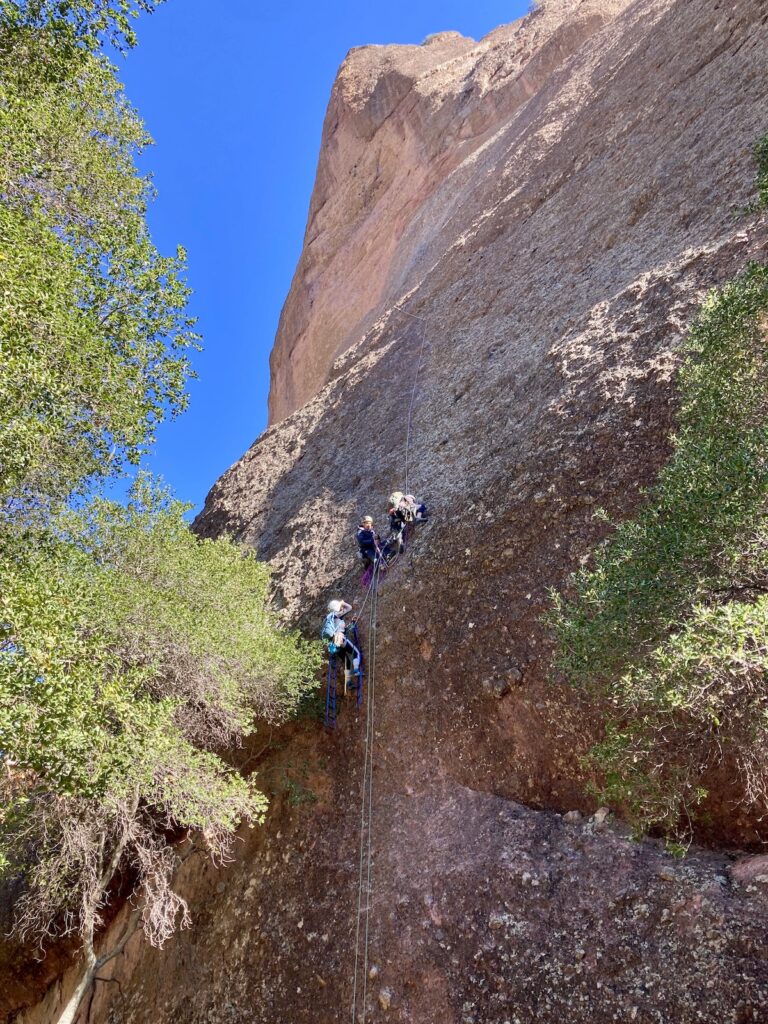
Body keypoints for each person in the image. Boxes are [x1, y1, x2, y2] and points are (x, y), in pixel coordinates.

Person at [321, 599, 361, 689]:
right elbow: (349, 608)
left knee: (347, 661)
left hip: (334, 645)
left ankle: (349, 682)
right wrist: (342, 602)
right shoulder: (335, 615)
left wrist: (351, 624)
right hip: (340, 639)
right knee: (356, 653)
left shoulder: (329, 620)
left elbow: (343, 630)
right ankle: (356, 671)